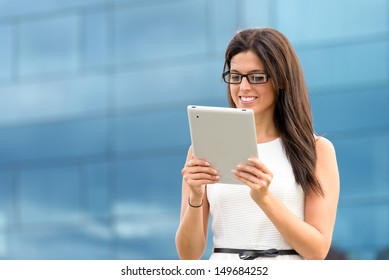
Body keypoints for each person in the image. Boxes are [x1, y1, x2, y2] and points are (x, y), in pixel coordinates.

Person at [175, 27, 340, 260]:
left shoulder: (317, 149)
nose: (243, 88)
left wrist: (265, 198)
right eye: (235, 76)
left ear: (281, 80)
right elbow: (188, 255)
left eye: (257, 77)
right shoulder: (203, 146)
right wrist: (195, 195)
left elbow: (317, 250)